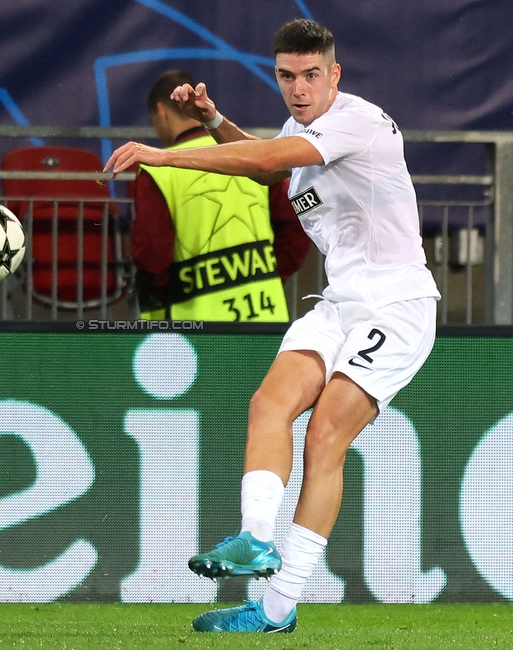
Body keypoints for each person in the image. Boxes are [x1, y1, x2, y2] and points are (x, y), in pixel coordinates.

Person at [106, 19, 440, 633]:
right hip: (341, 303)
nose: (299, 88)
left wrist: (165, 151)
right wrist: (212, 119)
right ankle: (257, 540)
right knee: (269, 403)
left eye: (312, 75)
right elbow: (267, 169)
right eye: (287, 76)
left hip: (397, 307)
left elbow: (265, 157)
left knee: (324, 436)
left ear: (334, 73)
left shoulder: (357, 121)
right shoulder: (298, 129)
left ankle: (278, 607)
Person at [132, 69, 310, 321]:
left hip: (195, 329)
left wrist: (157, 311)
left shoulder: (159, 170)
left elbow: (152, 254)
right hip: (266, 317)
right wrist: (267, 275)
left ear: (161, 111)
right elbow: (295, 226)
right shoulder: (251, 155)